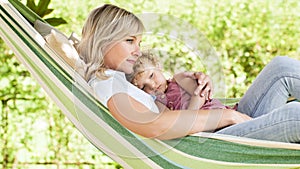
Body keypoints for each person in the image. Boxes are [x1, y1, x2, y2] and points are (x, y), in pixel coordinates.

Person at [76, 4, 300, 143]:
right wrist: (227, 116)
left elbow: (163, 87)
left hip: (221, 126)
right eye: (129, 41)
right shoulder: (106, 83)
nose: (137, 50)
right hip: (211, 144)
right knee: (295, 115)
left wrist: (196, 83)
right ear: (104, 41)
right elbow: (156, 124)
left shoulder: (120, 77)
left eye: (139, 42)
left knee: (281, 69)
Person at [128, 51, 234, 112]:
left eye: (151, 75)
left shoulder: (178, 79)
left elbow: (199, 93)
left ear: (158, 66)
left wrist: (189, 117)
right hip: (212, 132)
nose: (152, 85)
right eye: (143, 87)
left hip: (218, 113)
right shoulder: (157, 103)